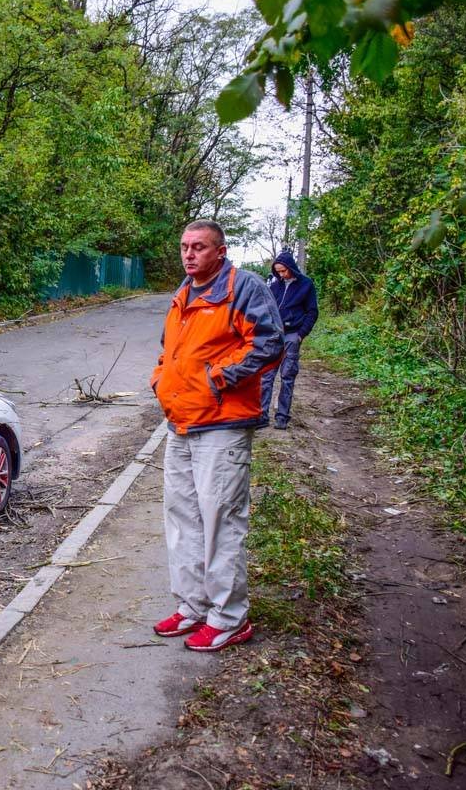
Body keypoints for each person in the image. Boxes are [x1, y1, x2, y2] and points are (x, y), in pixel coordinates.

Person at [150, 220, 284, 652]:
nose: (189, 254)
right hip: (181, 424)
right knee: (183, 520)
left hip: (222, 425)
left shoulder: (242, 288)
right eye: (185, 247)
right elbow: (169, 351)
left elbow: (268, 342)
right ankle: (193, 606)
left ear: (220, 251)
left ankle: (229, 618)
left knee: (221, 523)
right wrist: (161, 378)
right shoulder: (183, 294)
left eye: (199, 247)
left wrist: (217, 379)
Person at [260, 249, 319, 429]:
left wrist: (301, 334)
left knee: (287, 376)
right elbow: (265, 308)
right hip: (273, 335)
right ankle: (261, 416)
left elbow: (312, 312)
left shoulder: (306, 285)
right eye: (278, 271)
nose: (282, 274)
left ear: (291, 267)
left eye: (284, 271)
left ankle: (282, 417)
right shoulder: (274, 286)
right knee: (266, 376)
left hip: (292, 335)